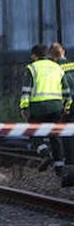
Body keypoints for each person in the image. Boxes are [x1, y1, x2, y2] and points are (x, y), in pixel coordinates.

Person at [46, 43, 74, 187]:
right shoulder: (73, 65)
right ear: (63, 52)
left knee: (68, 139)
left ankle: (70, 173)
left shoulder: (54, 70)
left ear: (51, 56)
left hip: (67, 107)